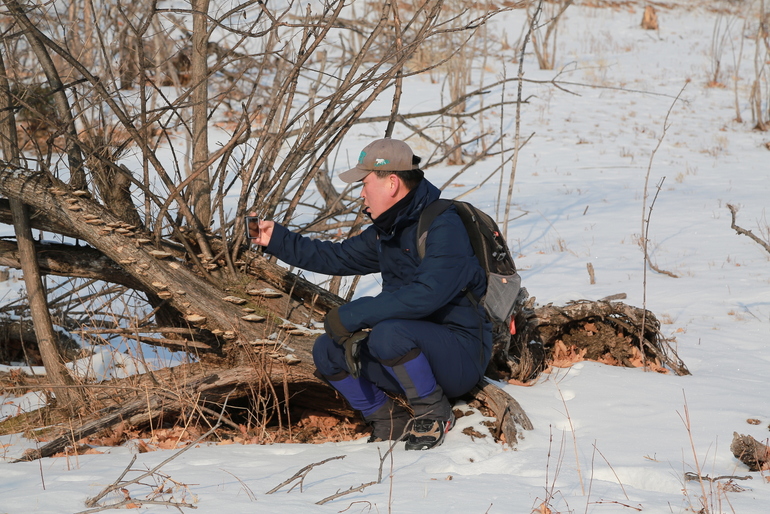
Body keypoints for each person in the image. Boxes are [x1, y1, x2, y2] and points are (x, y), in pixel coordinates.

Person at [249, 138, 492, 450]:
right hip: (411, 351)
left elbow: (427, 294)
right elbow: (335, 257)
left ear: (391, 183)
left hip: (459, 356)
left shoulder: (444, 226)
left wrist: (353, 314)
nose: (362, 194)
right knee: (327, 349)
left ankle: (433, 412)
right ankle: (387, 418)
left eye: (364, 183)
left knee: (387, 333)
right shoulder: (388, 231)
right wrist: (274, 239)